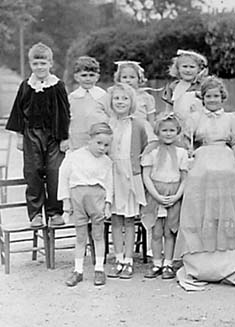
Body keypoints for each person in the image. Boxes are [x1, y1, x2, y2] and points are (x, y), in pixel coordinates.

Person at [174, 76, 235, 291]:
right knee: (202, 206)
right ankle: (201, 260)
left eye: (216, 96)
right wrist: (190, 157)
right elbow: (188, 142)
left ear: (222, 97)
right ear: (202, 98)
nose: (212, 100)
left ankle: (230, 259)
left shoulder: (230, 118)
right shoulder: (194, 117)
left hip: (224, 157)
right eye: (208, 96)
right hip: (203, 158)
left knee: (228, 205)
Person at [6, 42, 70, 227]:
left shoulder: (57, 86)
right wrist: (20, 136)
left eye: (43, 63)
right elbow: (18, 112)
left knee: (54, 173)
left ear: (51, 63)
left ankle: (55, 212)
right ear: (30, 65)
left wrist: (64, 137)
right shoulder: (26, 86)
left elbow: (65, 112)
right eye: (36, 64)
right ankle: (35, 214)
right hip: (31, 135)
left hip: (54, 135)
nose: (40, 67)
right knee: (33, 173)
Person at [58, 123, 114, 287]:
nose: (102, 148)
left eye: (106, 145)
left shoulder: (106, 162)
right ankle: (78, 270)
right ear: (90, 139)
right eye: (99, 143)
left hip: (97, 199)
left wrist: (108, 203)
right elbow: (64, 179)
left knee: (98, 235)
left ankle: (99, 269)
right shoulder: (74, 157)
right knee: (80, 236)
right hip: (78, 198)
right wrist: (66, 204)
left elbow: (109, 184)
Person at [106, 83, 149, 280]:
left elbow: (149, 147)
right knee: (115, 217)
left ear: (131, 102)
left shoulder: (138, 124)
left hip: (131, 174)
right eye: (117, 98)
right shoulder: (108, 123)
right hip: (113, 174)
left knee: (129, 218)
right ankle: (118, 258)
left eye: (124, 99)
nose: (120, 102)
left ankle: (129, 260)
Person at [141, 113, 188, 280]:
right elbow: (146, 175)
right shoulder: (151, 151)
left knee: (169, 231)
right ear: (158, 132)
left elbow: (184, 178)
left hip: (174, 193)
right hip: (155, 193)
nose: (168, 134)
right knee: (156, 231)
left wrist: (176, 196)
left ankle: (168, 262)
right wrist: (156, 195)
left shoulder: (182, 152)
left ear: (177, 132)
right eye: (164, 130)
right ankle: (156, 263)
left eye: (172, 130)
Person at [68, 56, 109, 151]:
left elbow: (110, 117)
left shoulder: (104, 96)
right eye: (84, 75)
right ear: (76, 77)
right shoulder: (72, 98)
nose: (88, 79)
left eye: (91, 75)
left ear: (97, 77)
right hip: (78, 141)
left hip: (99, 142)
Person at [161, 50, 207, 124]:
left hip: (200, 122)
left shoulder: (202, 86)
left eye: (192, 67)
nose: (188, 70)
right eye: (184, 66)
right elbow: (169, 108)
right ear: (178, 68)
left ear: (199, 69)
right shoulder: (173, 86)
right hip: (179, 123)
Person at [114, 60, 156, 127]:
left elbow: (151, 120)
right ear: (119, 79)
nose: (128, 80)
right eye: (124, 77)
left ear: (139, 78)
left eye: (132, 77)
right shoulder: (115, 97)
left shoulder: (146, 97)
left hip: (142, 131)